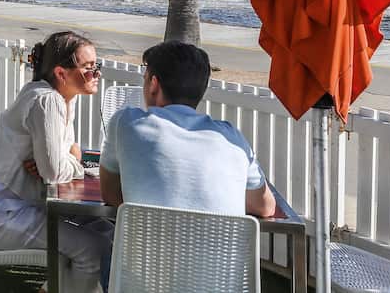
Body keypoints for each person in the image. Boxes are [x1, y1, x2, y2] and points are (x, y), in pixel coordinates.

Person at [0, 32, 110, 293]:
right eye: (89, 68)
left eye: (96, 66)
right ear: (61, 73)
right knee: (94, 249)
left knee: (107, 231)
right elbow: (54, 170)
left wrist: (66, 158)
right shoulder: (46, 100)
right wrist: (72, 161)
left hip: (22, 206)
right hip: (0, 216)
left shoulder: (65, 97)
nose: (97, 73)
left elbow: (64, 154)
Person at [100, 40, 275, 218]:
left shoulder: (126, 123)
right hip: (218, 246)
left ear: (154, 85)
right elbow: (265, 206)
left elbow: (110, 194)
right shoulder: (233, 139)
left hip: (142, 245)